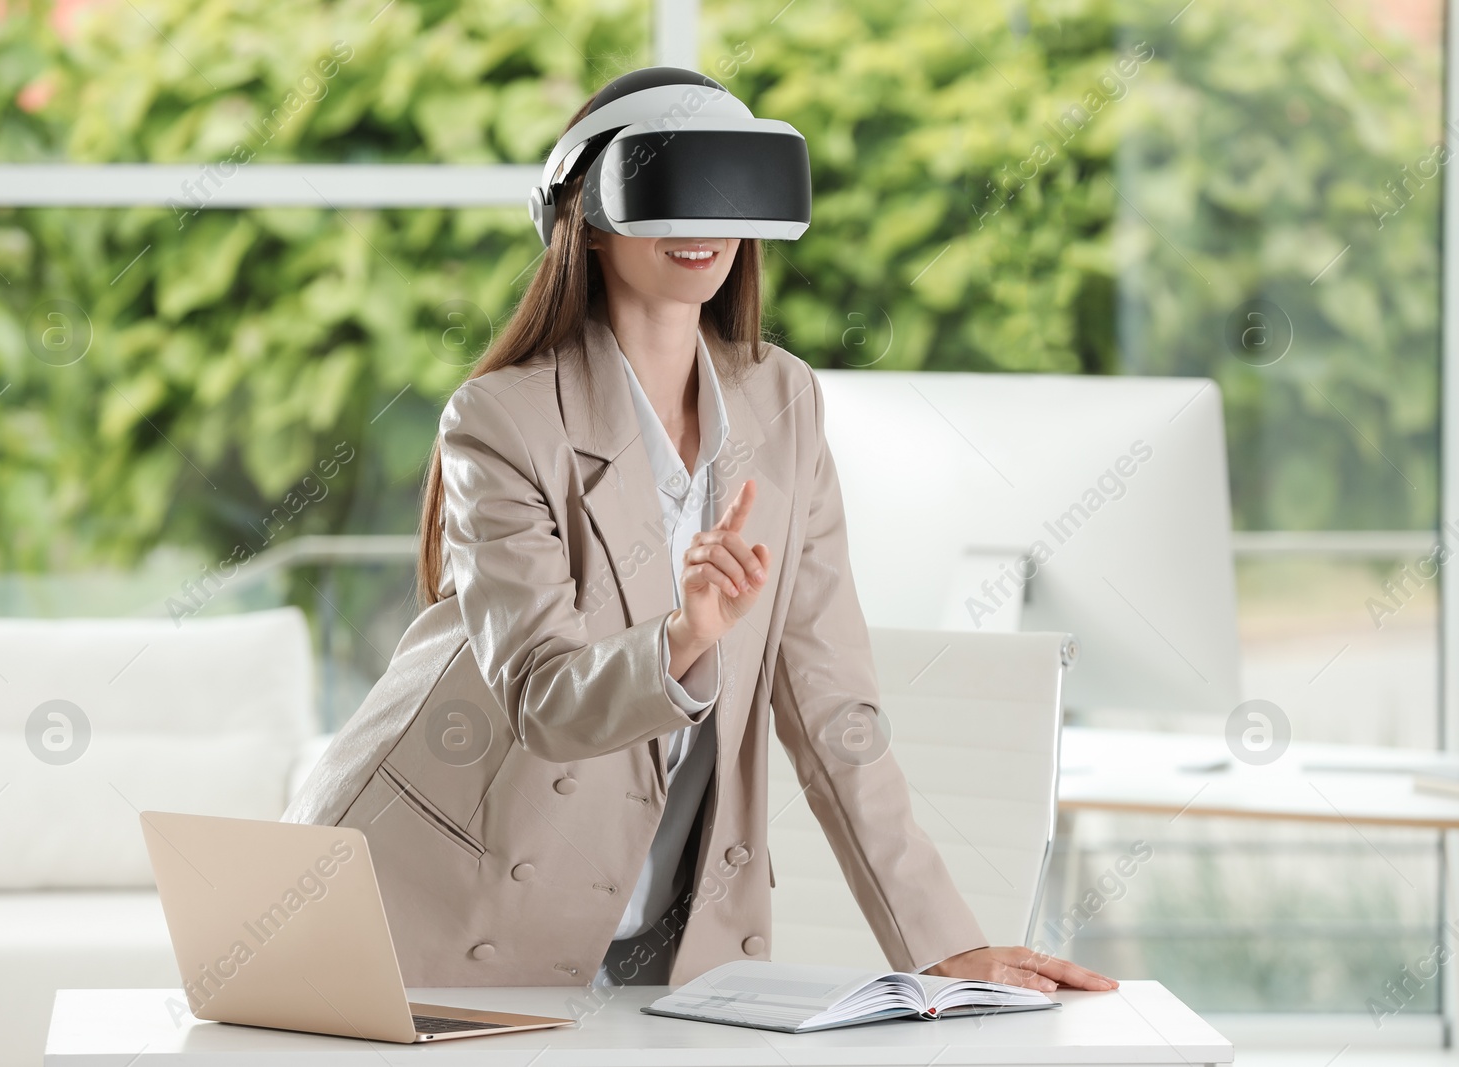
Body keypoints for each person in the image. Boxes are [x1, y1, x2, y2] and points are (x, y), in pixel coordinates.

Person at [285, 67, 1116, 995]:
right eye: (672, 185)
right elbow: (543, 698)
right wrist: (682, 640)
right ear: (585, 215)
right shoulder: (503, 419)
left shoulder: (784, 401)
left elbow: (833, 701)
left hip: (660, 926)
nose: (707, 220)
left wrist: (938, 941)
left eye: (735, 186)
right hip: (432, 900)